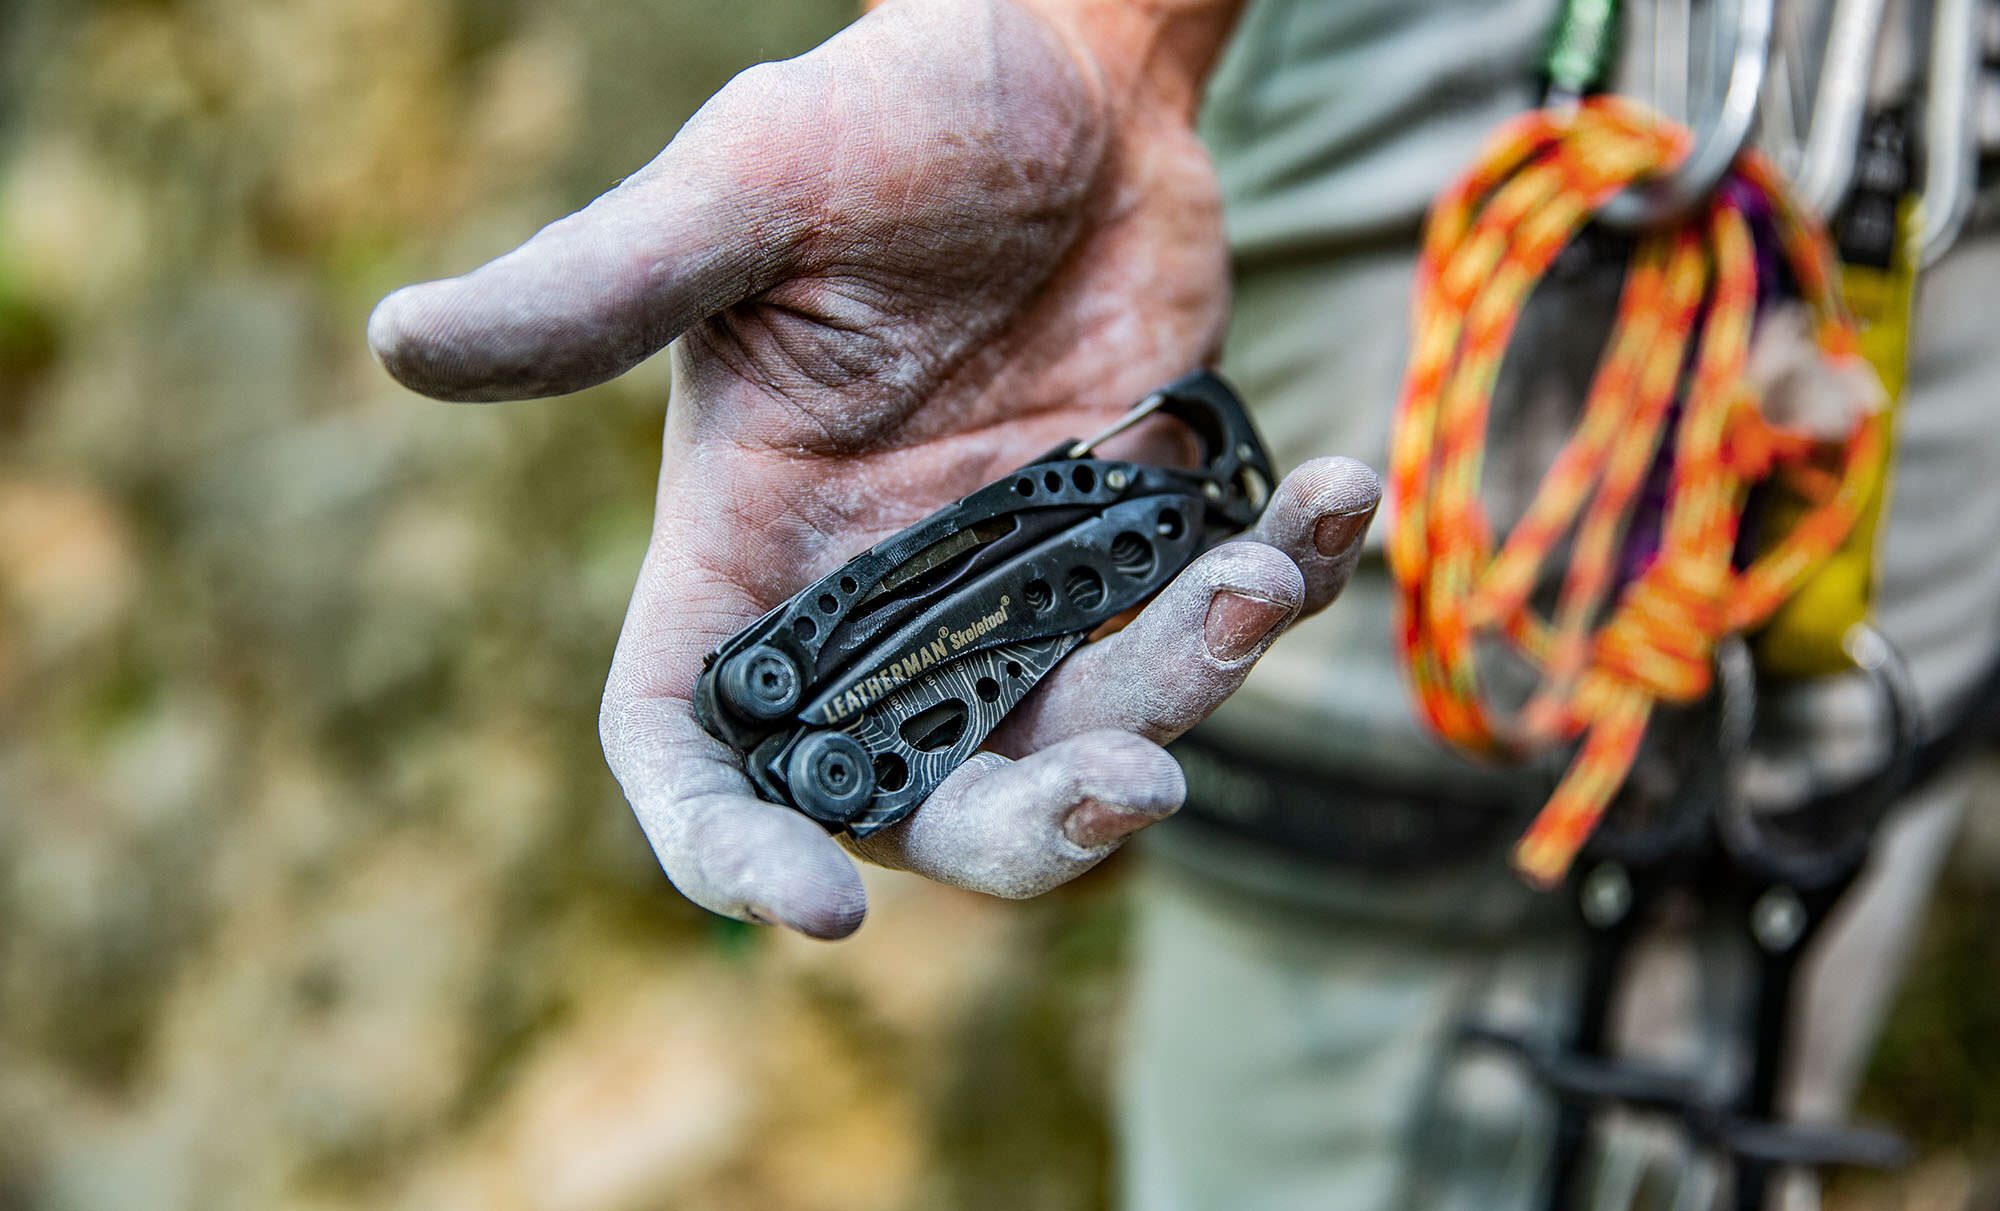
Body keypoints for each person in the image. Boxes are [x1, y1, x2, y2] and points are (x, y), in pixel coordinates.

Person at [369, 1, 1997, 1206]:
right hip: (1466, 76)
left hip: (1929, 145)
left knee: (1822, 767)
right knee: (1392, 866)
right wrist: (1104, 40)